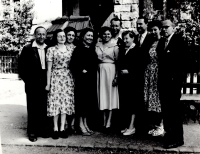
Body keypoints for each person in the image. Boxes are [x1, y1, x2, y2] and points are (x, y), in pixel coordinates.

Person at [156, 19, 186, 148]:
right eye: (162, 27)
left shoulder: (179, 41)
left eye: (167, 27)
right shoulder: (162, 41)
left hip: (173, 83)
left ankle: (178, 139)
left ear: (173, 28)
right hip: (163, 82)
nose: (164, 29)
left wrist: (177, 80)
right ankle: (169, 135)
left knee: (174, 111)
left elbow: (183, 63)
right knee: (166, 111)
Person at [18, 26, 49, 142]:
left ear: (46, 36)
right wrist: (28, 81)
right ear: (35, 35)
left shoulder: (48, 48)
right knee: (32, 108)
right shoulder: (27, 48)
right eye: (39, 34)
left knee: (43, 107)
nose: (41, 36)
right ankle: (32, 132)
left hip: (45, 83)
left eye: (43, 34)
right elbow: (21, 68)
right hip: (32, 84)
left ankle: (42, 130)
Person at [45, 28, 76, 139]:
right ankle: (55, 129)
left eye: (64, 36)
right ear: (56, 38)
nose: (62, 38)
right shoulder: (51, 50)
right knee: (55, 103)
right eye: (60, 36)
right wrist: (48, 84)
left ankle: (62, 128)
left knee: (64, 103)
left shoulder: (71, 49)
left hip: (67, 78)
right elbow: (49, 69)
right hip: (55, 77)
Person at [70, 28, 98, 136]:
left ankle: (85, 124)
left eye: (91, 36)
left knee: (87, 103)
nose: (90, 37)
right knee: (81, 103)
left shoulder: (91, 48)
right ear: (83, 36)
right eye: (88, 35)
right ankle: (80, 125)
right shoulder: (78, 49)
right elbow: (73, 64)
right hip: (82, 80)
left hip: (90, 79)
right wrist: (81, 70)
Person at [96, 26, 119, 133]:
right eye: (104, 34)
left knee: (110, 96)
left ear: (111, 35)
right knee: (102, 96)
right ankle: (103, 122)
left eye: (108, 34)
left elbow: (118, 62)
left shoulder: (115, 45)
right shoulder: (97, 45)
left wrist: (116, 76)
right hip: (100, 71)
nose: (106, 36)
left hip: (111, 70)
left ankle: (109, 122)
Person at [144, 20, 164, 137]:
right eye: (151, 30)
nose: (153, 32)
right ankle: (156, 125)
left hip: (158, 73)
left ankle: (161, 126)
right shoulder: (151, 42)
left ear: (160, 30)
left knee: (158, 101)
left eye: (155, 29)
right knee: (151, 102)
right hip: (149, 73)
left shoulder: (163, 42)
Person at [118, 30, 138, 136]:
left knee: (132, 104)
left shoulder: (137, 49)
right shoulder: (123, 49)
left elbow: (140, 66)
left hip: (133, 81)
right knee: (125, 103)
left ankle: (132, 126)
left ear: (133, 38)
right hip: (124, 81)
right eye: (124, 38)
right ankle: (126, 126)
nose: (125, 40)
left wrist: (129, 71)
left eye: (127, 38)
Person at [134, 16, 152, 134]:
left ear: (146, 24)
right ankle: (138, 125)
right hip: (136, 73)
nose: (139, 26)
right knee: (138, 98)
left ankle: (147, 126)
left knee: (147, 99)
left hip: (147, 72)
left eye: (141, 24)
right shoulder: (135, 38)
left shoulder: (151, 38)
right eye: (137, 24)